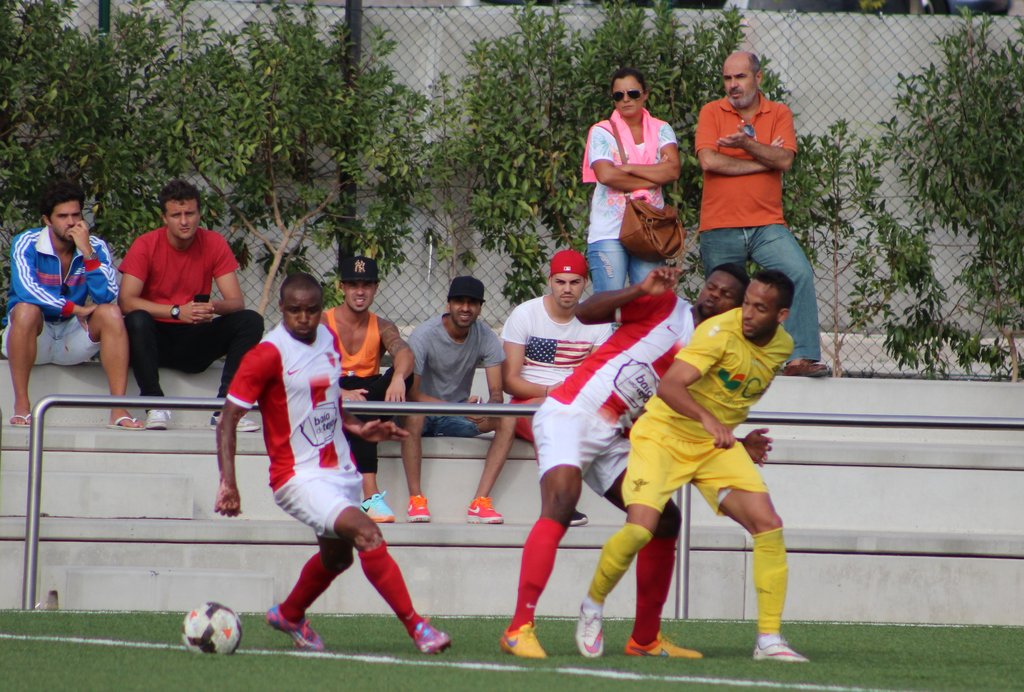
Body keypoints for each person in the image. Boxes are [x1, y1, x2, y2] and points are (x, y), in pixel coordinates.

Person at [501, 264, 769, 660]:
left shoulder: (718, 352)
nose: (714, 295)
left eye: (726, 294)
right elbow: (585, 312)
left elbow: (694, 413)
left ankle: (644, 639)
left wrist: (737, 442)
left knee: (665, 520)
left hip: (617, 433)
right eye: (711, 286)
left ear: (738, 307)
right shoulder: (665, 305)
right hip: (573, 411)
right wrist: (639, 289)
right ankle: (518, 629)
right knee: (560, 502)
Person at [575, 269, 809, 663]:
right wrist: (709, 421)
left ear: (781, 315)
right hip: (662, 435)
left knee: (768, 525)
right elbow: (669, 386)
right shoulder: (717, 333)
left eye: (759, 308)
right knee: (640, 529)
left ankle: (769, 639)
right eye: (746, 303)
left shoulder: (782, 346)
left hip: (713, 445)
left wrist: (738, 439)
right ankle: (592, 606)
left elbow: (733, 393)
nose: (748, 313)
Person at [213, 272, 451, 655]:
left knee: (337, 558)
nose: (303, 318)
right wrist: (228, 482)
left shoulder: (327, 338)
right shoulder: (267, 354)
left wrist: (359, 427)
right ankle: (418, 627)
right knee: (368, 533)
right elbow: (228, 419)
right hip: (297, 477)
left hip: (340, 469)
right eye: (294, 310)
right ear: (281, 309)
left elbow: (330, 400)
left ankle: (289, 614)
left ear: (320, 308)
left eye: (310, 310)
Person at [694, 51, 828, 378]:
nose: (733, 85)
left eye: (740, 77)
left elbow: (784, 160)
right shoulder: (712, 111)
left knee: (797, 272)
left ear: (758, 77)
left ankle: (800, 358)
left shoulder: (778, 112)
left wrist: (745, 144)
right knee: (722, 297)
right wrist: (762, 159)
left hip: (767, 224)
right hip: (720, 223)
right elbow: (709, 161)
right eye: (727, 78)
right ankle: (720, 365)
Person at [119, 179, 265, 430]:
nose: (184, 221)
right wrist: (177, 312)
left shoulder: (214, 242)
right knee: (136, 319)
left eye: (190, 213)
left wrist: (211, 308)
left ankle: (226, 410)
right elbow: (126, 300)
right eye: (176, 215)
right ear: (164, 218)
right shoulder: (146, 244)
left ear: (199, 214)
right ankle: (154, 404)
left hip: (195, 337)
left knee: (251, 320)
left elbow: (236, 301)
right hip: (153, 340)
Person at [2, 180, 143, 429]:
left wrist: (87, 252)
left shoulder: (94, 245)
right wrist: (73, 308)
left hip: (71, 335)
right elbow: (26, 291)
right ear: (47, 220)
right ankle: (22, 406)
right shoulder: (26, 242)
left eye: (76, 215)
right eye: (62, 216)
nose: (71, 222)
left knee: (111, 313)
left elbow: (107, 295)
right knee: (25, 310)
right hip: (35, 335)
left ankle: (118, 409)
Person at [501, 248, 612, 527]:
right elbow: (510, 381)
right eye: (560, 281)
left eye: (574, 282)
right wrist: (550, 393)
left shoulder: (597, 320)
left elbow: (597, 379)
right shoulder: (525, 314)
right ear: (549, 280)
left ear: (585, 283)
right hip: (528, 404)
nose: (567, 289)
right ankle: (557, 506)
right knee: (553, 417)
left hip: (575, 403)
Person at [401, 275, 515, 524]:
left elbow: (497, 392)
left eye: (472, 303)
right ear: (448, 304)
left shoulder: (485, 336)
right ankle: (416, 499)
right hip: (424, 412)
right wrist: (458, 409)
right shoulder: (424, 335)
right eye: (459, 301)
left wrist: (489, 409)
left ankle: (480, 502)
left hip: (456, 417)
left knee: (507, 418)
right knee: (413, 414)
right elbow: (412, 394)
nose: (465, 308)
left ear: (480, 307)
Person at [322, 255, 413, 524]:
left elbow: (404, 352)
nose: (360, 291)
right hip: (333, 392)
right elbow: (304, 365)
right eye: (353, 284)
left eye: (366, 285)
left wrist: (398, 377)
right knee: (363, 411)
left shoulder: (382, 325)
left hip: (368, 393)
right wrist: (338, 393)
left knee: (405, 376)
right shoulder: (323, 322)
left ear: (375, 288)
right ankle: (370, 495)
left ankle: (368, 499)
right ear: (342, 287)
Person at [583, 67, 681, 292]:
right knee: (608, 303)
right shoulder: (601, 131)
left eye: (633, 93)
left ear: (645, 94)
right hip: (610, 231)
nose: (626, 99)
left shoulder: (662, 129)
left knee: (648, 302)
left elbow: (673, 170)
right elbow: (606, 175)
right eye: (619, 95)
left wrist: (628, 169)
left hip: (650, 227)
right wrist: (655, 175)